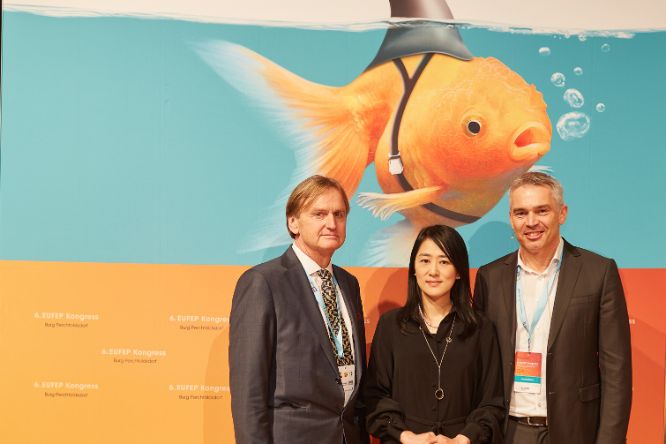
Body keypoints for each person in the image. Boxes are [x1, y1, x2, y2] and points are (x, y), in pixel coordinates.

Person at [473, 172, 632, 444]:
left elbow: (616, 372)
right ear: (511, 218)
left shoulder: (598, 272)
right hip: (508, 431)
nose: (531, 222)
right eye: (521, 213)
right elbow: (479, 365)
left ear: (562, 213)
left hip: (574, 430)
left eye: (542, 211)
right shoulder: (490, 277)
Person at [229, 175, 368, 444]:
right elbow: (249, 391)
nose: (331, 223)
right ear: (293, 222)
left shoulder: (349, 284)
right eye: (319, 214)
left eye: (339, 214)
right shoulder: (263, 282)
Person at [365, 225, 504, 444]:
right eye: (425, 260)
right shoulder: (391, 325)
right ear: (413, 268)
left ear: (458, 271)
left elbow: (492, 403)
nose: (433, 271)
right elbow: (374, 396)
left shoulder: (480, 329)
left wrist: (463, 439)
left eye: (444, 261)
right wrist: (406, 436)